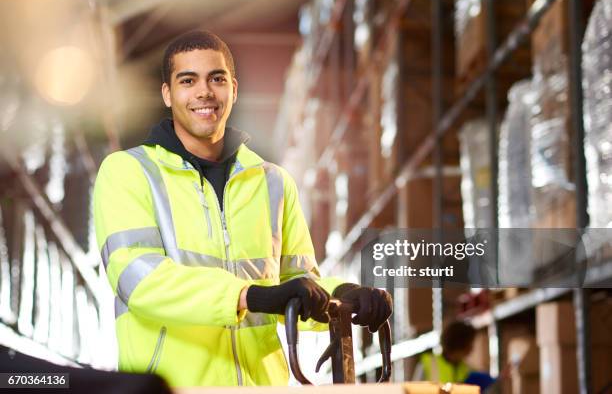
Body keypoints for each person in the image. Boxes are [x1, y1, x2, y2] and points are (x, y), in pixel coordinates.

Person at [93, 30, 392, 387]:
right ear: (167, 94)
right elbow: (139, 280)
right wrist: (248, 296)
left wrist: (342, 296)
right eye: (188, 81)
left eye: (216, 79)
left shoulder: (273, 182)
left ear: (233, 89)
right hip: (172, 387)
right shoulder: (128, 171)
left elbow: (296, 287)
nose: (204, 92)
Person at [413, 321, 497, 392]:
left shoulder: (468, 370)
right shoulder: (427, 365)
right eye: (470, 344)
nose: (471, 349)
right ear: (459, 343)